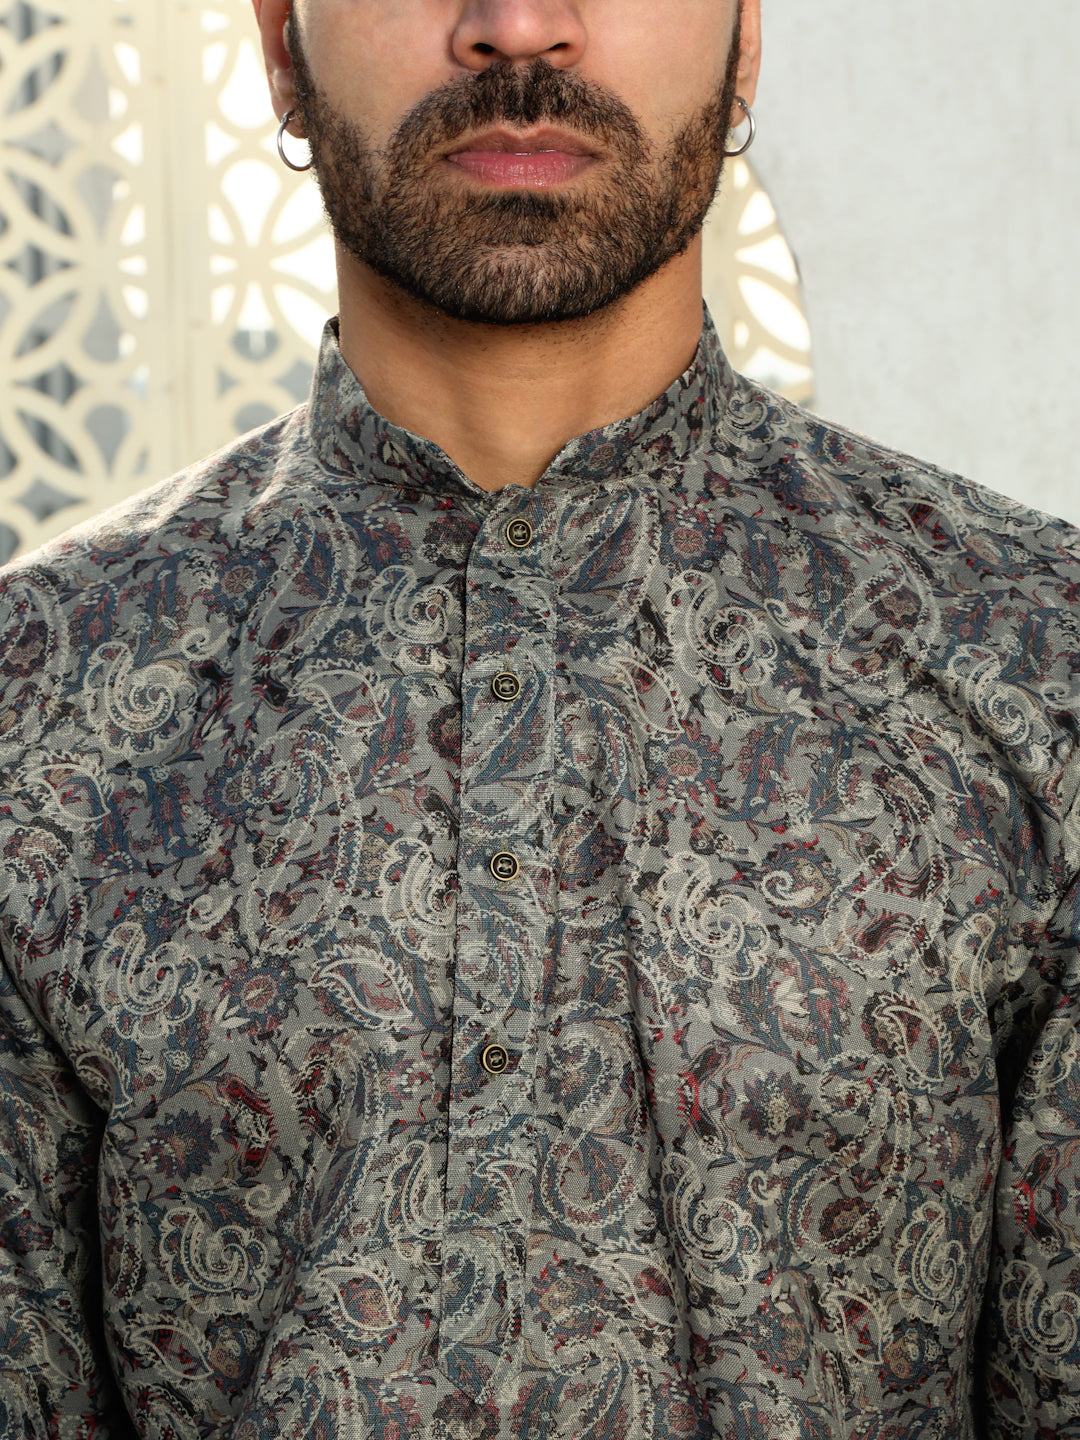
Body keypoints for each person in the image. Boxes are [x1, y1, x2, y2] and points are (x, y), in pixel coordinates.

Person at [0, 0, 1078, 1434]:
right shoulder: (42, 695)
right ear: (280, 41)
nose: (518, 27)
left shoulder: (1033, 657)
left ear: (745, 37)